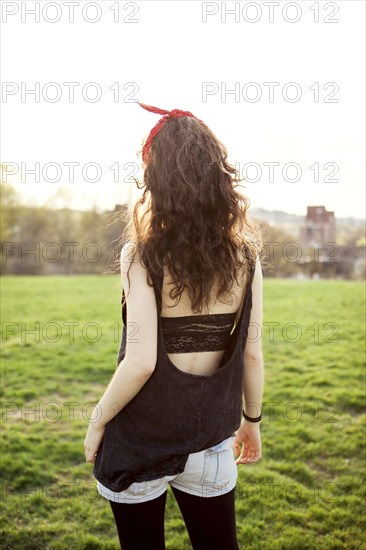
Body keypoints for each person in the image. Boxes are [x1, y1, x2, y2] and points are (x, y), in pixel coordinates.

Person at [84, 102, 265, 550]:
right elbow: (252, 352)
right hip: (210, 441)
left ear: (156, 179)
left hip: (141, 444)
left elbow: (140, 362)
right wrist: (253, 422)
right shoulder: (246, 255)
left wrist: (96, 421)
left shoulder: (142, 254)